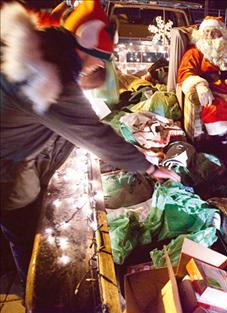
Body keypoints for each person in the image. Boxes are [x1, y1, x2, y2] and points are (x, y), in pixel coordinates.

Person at [0, 1, 179, 283]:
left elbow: (81, 127)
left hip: (15, 156)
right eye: (100, 58)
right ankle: (37, 293)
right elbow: (92, 132)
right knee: (24, 232)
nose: (99, 65)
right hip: (7, 167)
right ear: (83, 50)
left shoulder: (46, 52)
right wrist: (149, 168)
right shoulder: (47, 78)